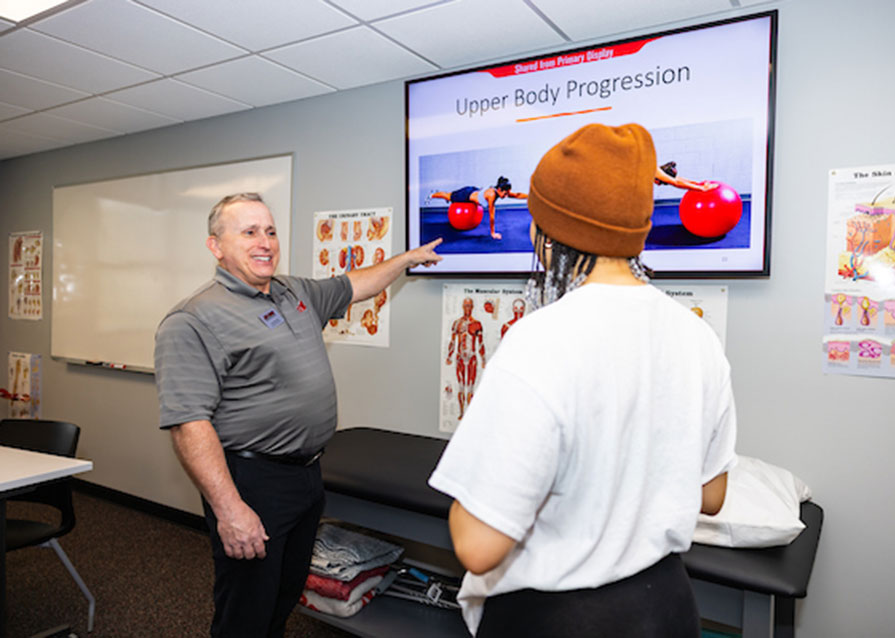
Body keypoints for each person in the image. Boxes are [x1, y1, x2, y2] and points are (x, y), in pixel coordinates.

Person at [428, 123, 738, 637]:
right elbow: (712, 495)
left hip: (562, 618)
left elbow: (478, 547)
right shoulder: (696, 334)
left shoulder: (540, 338)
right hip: (666, 608)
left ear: (547, 232)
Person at [153, 192, 441, 638]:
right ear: (216, 247)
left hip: (305, 476)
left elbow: (357, 283)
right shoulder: (192, 320)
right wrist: (230, 511)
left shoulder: (294, 291)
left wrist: (407, 259)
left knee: (283, 597)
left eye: (269, 231)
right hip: (251, 483)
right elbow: (189, 424)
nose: (264, 241)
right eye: (248, 232)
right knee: (245, 610)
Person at [446, 297, 485, 420]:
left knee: (471, 386)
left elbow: (481, 343)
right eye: (466, 305)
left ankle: (470, 414)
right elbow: (452, 341)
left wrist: (483, 359)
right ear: (463, 307)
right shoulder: (457, 323)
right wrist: (449, 355)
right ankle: (462, 413)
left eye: (470, 306)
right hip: (460, 358)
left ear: (472, 307)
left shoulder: (477, 324)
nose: (467, 308)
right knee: (461, 385)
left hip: (472, 357)